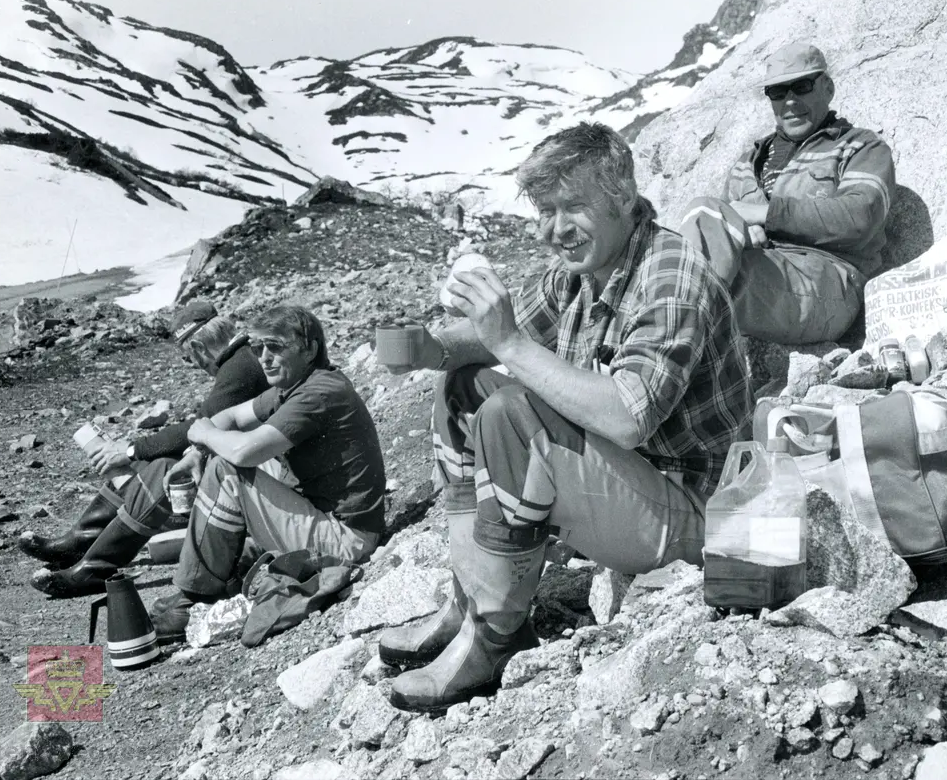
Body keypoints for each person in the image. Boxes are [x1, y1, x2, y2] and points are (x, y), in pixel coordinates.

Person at [376, 122, 750, 713]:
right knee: (463, 387)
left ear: (623, 198)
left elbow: (628, 418)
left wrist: (512, 348)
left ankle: (494, 640)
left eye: (572, 206)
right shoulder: (585, 267)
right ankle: (468, 604)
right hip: (629, 482)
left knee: (513, 413)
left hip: (693, 513)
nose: (555, 229)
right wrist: (434, 347)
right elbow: (500, 333)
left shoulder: (672, 279)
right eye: (545, 210)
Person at [149, 305, 387, 643]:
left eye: (275, 347)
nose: (264, 358)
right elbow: (231, 418)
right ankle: (207, 575)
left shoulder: (319, 393)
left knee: (228, 469)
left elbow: (242, 451)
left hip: (346, 539)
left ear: (310, 348)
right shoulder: (291, 387)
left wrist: (203, 436)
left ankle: (195, 595)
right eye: (258, 348)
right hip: (327, 517)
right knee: (229, 458)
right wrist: (197, 450)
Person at [22, 302, 269, 597]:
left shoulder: (239, 370)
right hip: (257, 464)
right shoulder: (241, 362)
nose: (194, 364)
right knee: (150, 465)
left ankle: (94, 569)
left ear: (200, 347)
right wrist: (135, 452)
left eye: (189, 356)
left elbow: (200, 426)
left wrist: (129, 450)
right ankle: (79, 544)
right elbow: (203, 425)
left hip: (258, 479)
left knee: (161, 472)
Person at [679, 42, 897, 345]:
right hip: (761, 270)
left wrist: (764, 215)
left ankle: (657, 346)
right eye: (779, 92)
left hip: (828, 282)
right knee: (699, 220)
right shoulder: (747, 163)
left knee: (700, 288)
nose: (790, 101)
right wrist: (746, 230)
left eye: (802, 87)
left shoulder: (861, 147)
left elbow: (860, 217)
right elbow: (724, 226)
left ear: (828, 88)